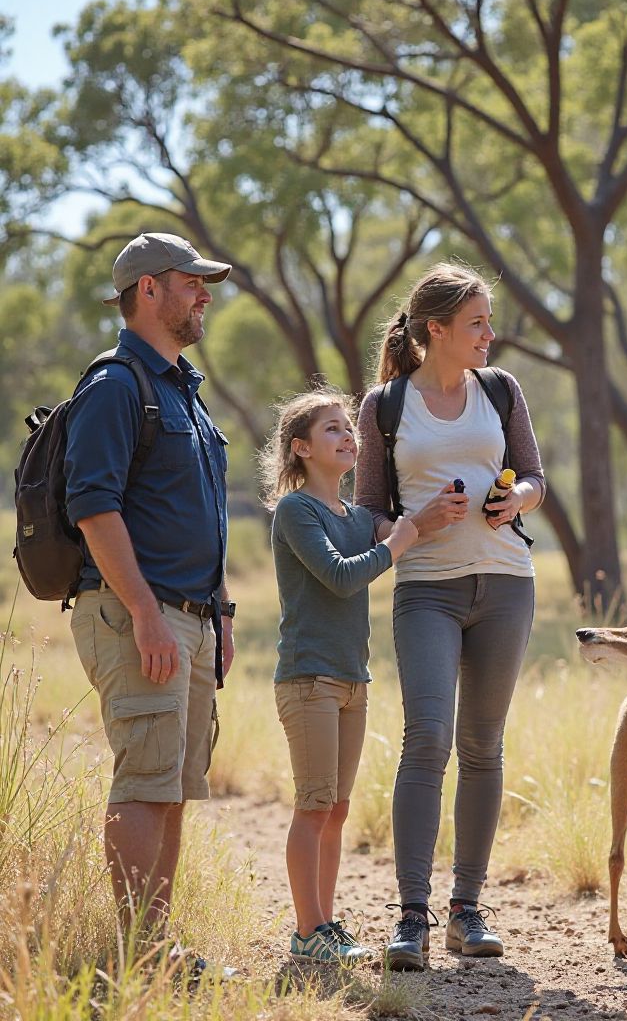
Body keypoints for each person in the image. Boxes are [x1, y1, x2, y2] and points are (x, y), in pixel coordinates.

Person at [355, 262, 545, 971]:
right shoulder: (385, 405)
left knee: (483, 745)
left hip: (506, 583)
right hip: (426, 589)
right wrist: (413, 524)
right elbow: (370, 510)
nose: (490, 336)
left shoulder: (500, 390)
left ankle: (468, 910)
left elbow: (535, 476)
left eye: (488, 323)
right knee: (427, 738)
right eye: (477, 324)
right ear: (436, 330)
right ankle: (412, 917)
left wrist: (515, 500)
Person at [65, 232, 236, 977]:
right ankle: (137, 958)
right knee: (144, 781)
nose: (204, 293)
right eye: (191, 282)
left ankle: (158, 951)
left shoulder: (182, 390)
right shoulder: (113, 385)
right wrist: (142, 613)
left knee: (171, 788)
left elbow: (203, 514)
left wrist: (220, 614)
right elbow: (94, 508)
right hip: (140, 615)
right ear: (148, 292)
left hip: (193, 619)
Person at [258, 386, 419, 964]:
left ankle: (325, 926)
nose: (348, 435)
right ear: (300, 449)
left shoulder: (354, 516)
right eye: (331, 429)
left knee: (338, 808)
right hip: (309, 680)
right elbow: (339, 576)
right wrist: (396, 545)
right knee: (313, 804)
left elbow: (397, 532)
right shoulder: (296, 511)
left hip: (354, 681)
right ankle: (307, 932)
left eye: (349, 426)